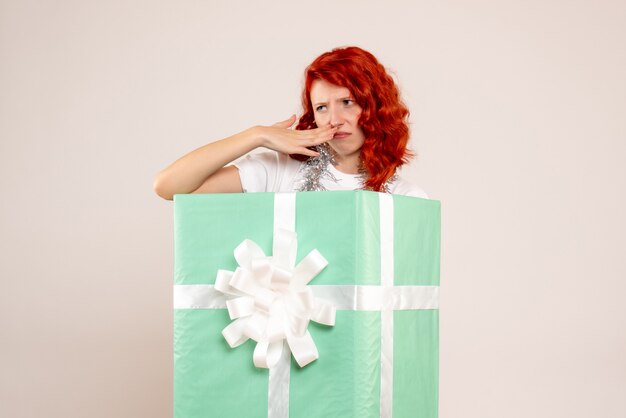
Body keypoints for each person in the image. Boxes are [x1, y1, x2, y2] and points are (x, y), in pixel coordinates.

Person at [153, 46, 428, 199]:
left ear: (376, 106)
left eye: (347, 102)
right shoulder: (278, 172)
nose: (334, 119)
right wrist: (256, 135)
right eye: (321, 107)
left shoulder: (406, 198)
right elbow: (168, 187)